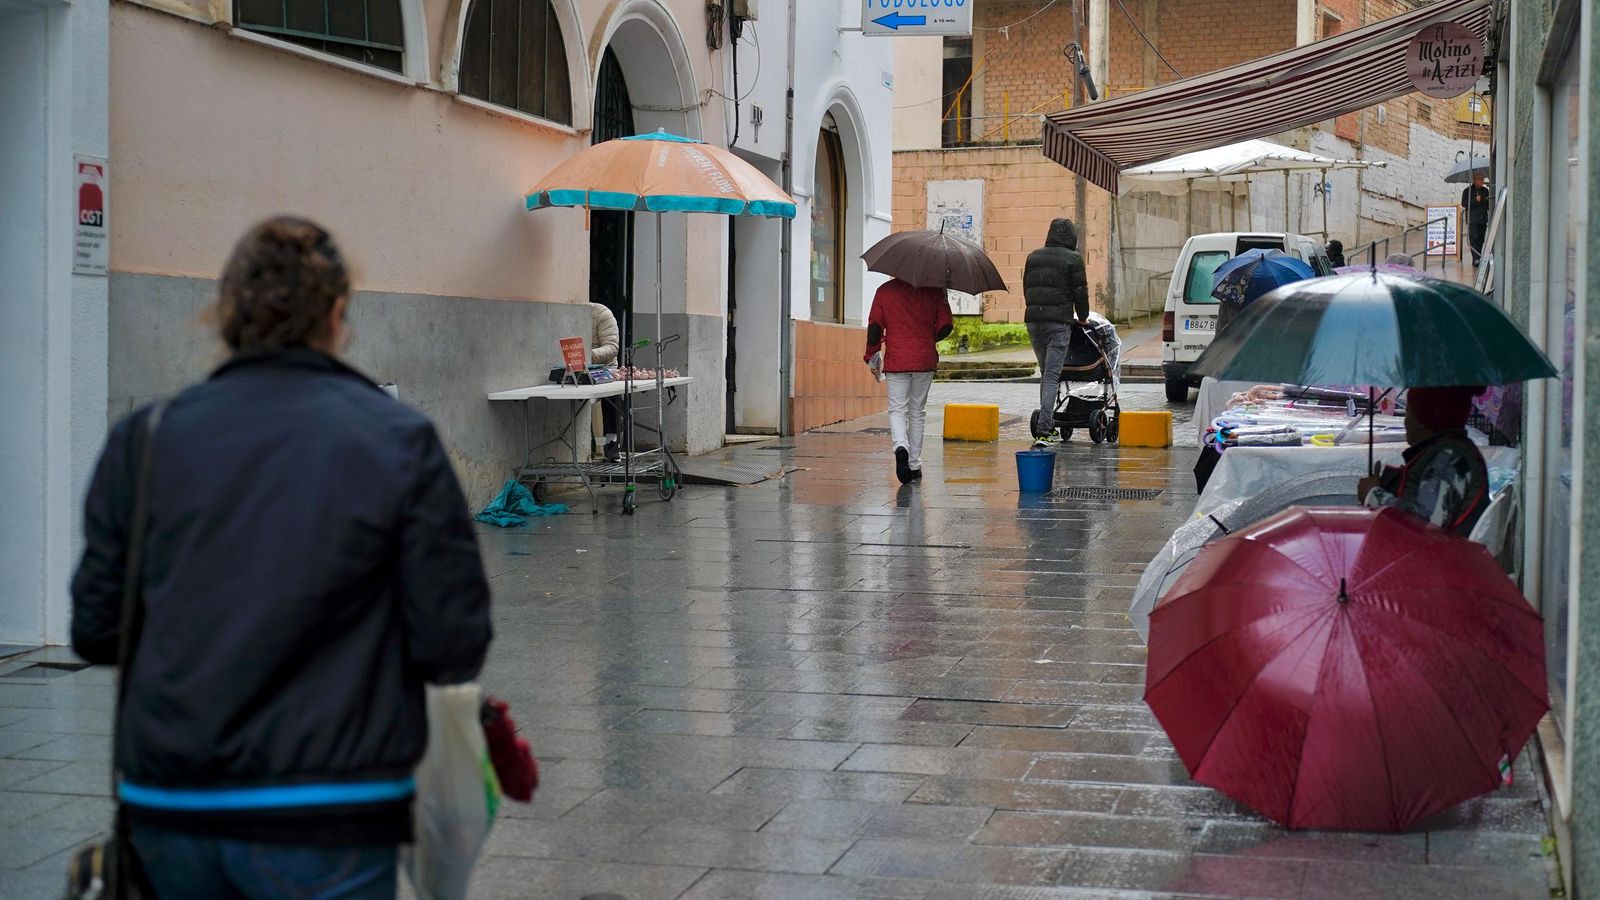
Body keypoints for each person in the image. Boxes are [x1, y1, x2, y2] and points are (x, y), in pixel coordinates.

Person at [71, 217, 493, 899]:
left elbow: (94, 629)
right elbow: (454, 645)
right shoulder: (400, 441)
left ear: (226, 313)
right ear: (336, 313)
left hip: (171, 807)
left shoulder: (143, 441)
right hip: (335, 811)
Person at [1357, 385, 1490, 536]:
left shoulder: (1448, 459)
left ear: (1423, 419)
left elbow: (1425, 525)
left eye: (1408, 413)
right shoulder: (1442, 452)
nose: (1405, 422)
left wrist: (1374, 495)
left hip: (1442, 556)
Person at [865, 277, 953, 484]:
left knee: (897, 409)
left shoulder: (884, 291)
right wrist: (927, 338)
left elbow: (874, 329)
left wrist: (871, 355)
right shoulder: (935, 290)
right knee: (917, 412)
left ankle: (900, 447)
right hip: (924, 359)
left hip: (897, 359)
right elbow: (946, 326)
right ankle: (914, 465)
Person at [1022, 218, 1090, 446]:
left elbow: (1027, 288)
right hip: (1058, 323)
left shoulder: (1033, 257)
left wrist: (1036, 311)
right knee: (1052, 375)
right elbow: (1080, 292)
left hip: (1034, 321)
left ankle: (1046, 420)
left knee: (1046, 374)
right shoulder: (1073, 259)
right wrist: (1082, 317)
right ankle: (1044, 428)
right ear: (1071, 238)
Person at [590, 302, 622, 460]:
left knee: (610, 396)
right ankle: (593, 443)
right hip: (576, 369)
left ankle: (611, 441)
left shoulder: (601, 313)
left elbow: (612, 346)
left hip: (604, 368)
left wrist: (587, 355)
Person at [1462, 172, 1491, 267]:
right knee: (1474, 239)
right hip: (1473, 220)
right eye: (1480, 179)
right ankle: (1475, 259)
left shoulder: (1485, 191)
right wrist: (1475, 200)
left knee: (1481, 239)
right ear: (1474, 180)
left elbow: (1488, 205)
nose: (1482, 181)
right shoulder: (1467, 191)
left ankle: (1478, 256)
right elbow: (1464, 203)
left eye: (1483, 179)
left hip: (1482, 219)